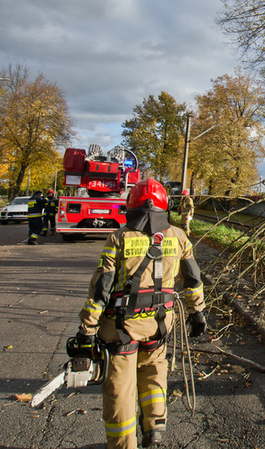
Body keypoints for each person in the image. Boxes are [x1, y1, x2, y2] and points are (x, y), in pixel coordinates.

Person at [74, 178, 206, 449]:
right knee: (154, 375)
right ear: (164, 207)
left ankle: (124, 444)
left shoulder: (119, 238)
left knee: (120, 388)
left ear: (130, 207)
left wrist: (86, 331)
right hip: (159, 326)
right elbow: (193, 278)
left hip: (121, 329)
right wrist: (197, 312)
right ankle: (155, 431)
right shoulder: (179, 237)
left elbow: (101, 288)